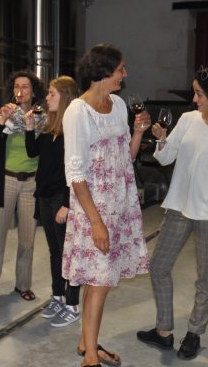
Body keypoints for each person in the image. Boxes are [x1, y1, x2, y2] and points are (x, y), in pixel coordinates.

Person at [136, 66, 208, 359]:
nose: (194, 98)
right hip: (178, 207)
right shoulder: (188, 120)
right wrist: (162, 138)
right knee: (159, 267)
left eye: (199, 94)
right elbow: (165, 157)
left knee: (205, 277)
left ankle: (194, 333)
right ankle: (164, 332)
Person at [62, 44, 151, 367]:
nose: (125, 75)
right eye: (121, 69)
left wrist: (139, 133)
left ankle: (87, 343)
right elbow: (75, 173)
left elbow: (124, 158)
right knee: (98, 283)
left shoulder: (117, 106)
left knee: (101, 282)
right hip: (93, 210)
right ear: (103, 72)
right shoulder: (78, 111)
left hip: (119, 205)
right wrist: (97, 222)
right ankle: (90, 357)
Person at [0, 70, 47, 304]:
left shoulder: (42, 118)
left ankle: (23, 284)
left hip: (31, 182)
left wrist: (29, 125)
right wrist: (2, 122)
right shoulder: (2, 115)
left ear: (33, 91)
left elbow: (39, 150)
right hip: (6, 180)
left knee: (27, 239)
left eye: (25, 87)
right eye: (17, 86)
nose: (20, 91)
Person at [23, 75, 81, 327]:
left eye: (52, 94)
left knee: (70, 253)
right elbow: (32, 152)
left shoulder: (73, 132)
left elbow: (76, 171)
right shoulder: (50, 128)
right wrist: (28, 126)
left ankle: (72, 303)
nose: (47, 98)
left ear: (66, 97)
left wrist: (67, 204)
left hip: (62, 198)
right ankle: (58, 295)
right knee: (55, 251)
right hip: (45, 196)